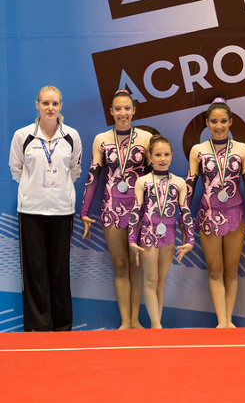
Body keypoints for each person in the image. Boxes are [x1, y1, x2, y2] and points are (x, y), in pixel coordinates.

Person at [9, 86, 82, 331]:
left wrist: (57, 190)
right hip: (31, 209)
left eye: (55, 103)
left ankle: (62, 325)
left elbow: (74, 171)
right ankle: (38, 326)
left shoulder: (71, 135)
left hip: (62, 209)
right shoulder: (23, 135)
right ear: (37, 105)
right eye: (46, 103)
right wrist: (35, 190)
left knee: (60, 269)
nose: (50, 108)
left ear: (61, 106)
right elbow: (16, 169)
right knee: (35, 269)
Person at [186, 97, 245, 328]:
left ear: (230, 122)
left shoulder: (241, 149)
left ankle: (229, 321)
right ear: (207, 123)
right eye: (214, 121)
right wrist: (184, 216)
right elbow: (190, 185)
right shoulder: (198, 150)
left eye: (223, 121)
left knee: (231, 269)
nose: (219, 126)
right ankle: (222, 322)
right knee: (215, 269)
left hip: (235, 214)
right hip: (208, 215)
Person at [80, 89, 152, 329]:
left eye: (127, 108)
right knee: (120, 264)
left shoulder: (145, 138)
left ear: (134, 110)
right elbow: (93, 175)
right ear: (111, 112)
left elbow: (155, 178)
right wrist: (84, 211)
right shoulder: (101, 139)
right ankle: (124, 322)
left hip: (138, 210)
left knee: (136, 264)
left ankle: (135, 320)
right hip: (111, 209)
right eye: (118, 109)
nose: (123, 113)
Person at [129, 135, 194, 328]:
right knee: (150, 278)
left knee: (160, 281)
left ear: (172, 156)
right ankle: (157, 326)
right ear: (150, 157)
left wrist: (189, 239)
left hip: (169, 235)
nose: (162, 158)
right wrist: (132, 239)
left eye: (166, 154)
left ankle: (155, 323)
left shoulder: (179, 183)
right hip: (148, 235)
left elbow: (185, 212)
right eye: (158, 155)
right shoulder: (142, 181)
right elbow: (135, 211)